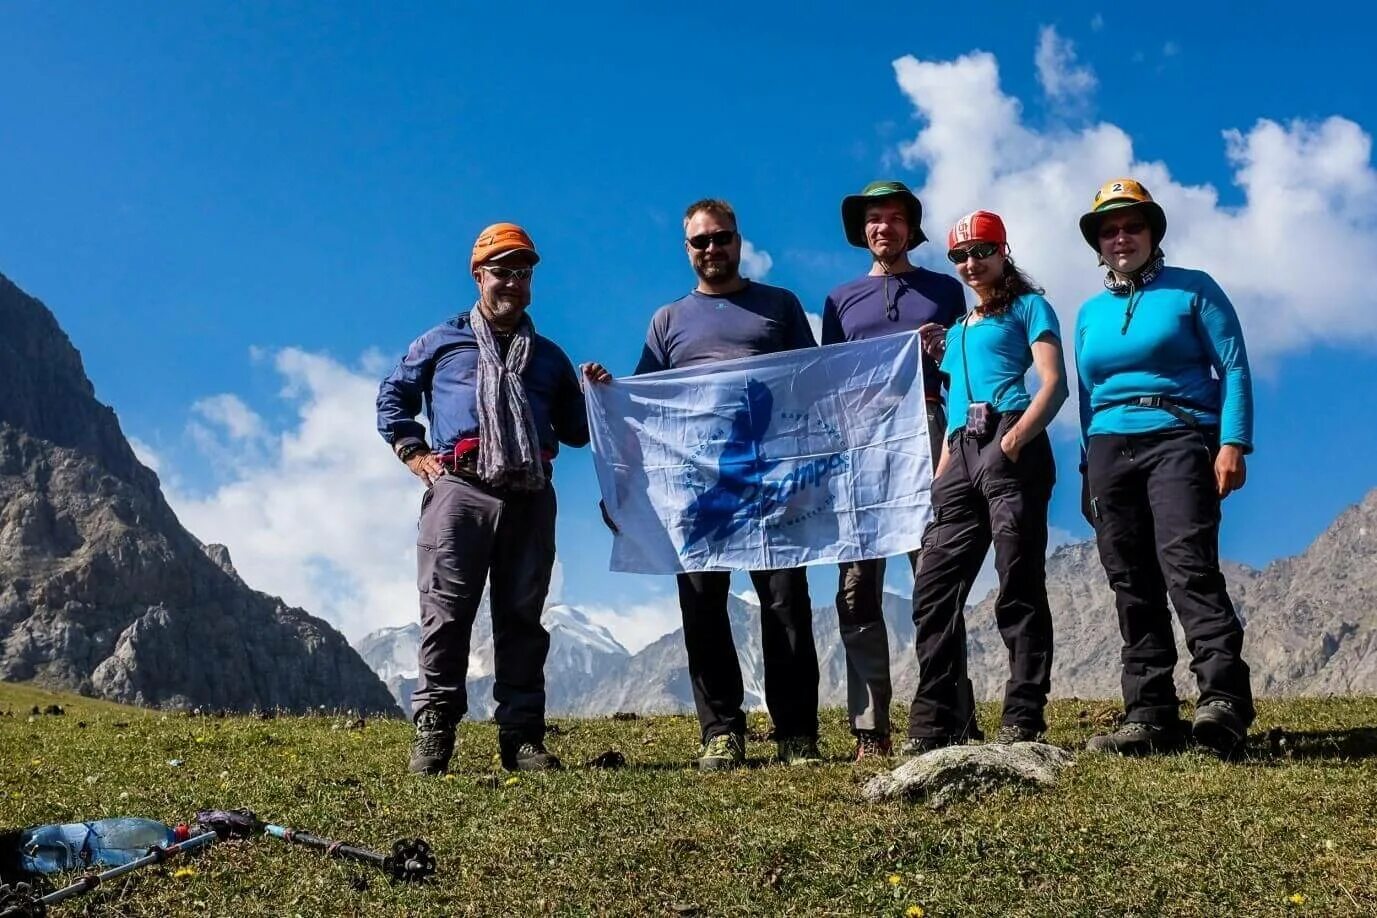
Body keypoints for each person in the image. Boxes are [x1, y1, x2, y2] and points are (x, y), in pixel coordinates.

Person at [376, 222, 610, 775]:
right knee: (446, 615)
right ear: (479, 275)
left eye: (523, 272)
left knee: (522, 619)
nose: (513, 282)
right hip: (459, 487)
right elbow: (394, 395)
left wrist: (594, 391)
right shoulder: (441, 341)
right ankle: (434, 732)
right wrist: (412, 451)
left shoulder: (550, 357)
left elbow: (576, 432)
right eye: (502, 270)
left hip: (531, 493)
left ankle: (522, 738)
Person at [629, 198, 822, 771]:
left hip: (773, 482)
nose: (712, 249)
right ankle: (721, 732)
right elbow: (641, 403)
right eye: (700, 242)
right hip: (697, 489)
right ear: (687, 250)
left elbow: (812, 383)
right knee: (703, 605)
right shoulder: (667, 321)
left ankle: (797, 735)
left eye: (722, 238)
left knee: (787, 602)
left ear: (739, 241)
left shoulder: (779, 306)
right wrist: (604, 390)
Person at [1074, 179, 1255, 758]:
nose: (1121, 237)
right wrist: (1086, 467)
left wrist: (1232, 443)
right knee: (1130, 579)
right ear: (1098, 243)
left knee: (1188, 567)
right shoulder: (1088, 313)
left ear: (1153, 233)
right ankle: (1149, 714)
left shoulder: (1194, 290)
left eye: (1132, 226)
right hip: (1107, 449)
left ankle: (1223, 703)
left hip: (1179, 436)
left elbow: (1234, 367)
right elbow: (1086, 394)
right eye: (1109, 230)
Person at [822, 180, 979, 759]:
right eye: (872, 220)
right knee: (857, 583)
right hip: (862, 443)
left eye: (893, 218)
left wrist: (943, 353)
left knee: (936, 576)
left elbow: (966, 367)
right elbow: (832, 379)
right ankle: (870, 729)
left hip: (931, 429)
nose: (882, 228)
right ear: (862, 232)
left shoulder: (944, 289)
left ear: (911, 229)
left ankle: (952, 714)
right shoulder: (840, 300)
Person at [902, 210, 1067, 752]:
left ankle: (1023, 716)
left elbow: (1054, 382)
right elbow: (952, 407)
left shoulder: (1029, 307)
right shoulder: (956, 331)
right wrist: (947, 467)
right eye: (960, 256)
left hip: (1009, 443)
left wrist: (1015, 439)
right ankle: (937, 722)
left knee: (1017, 582)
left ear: (1003, 251)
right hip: (960, 455)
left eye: (981, 251)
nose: (971, 264)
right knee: (933, 590)